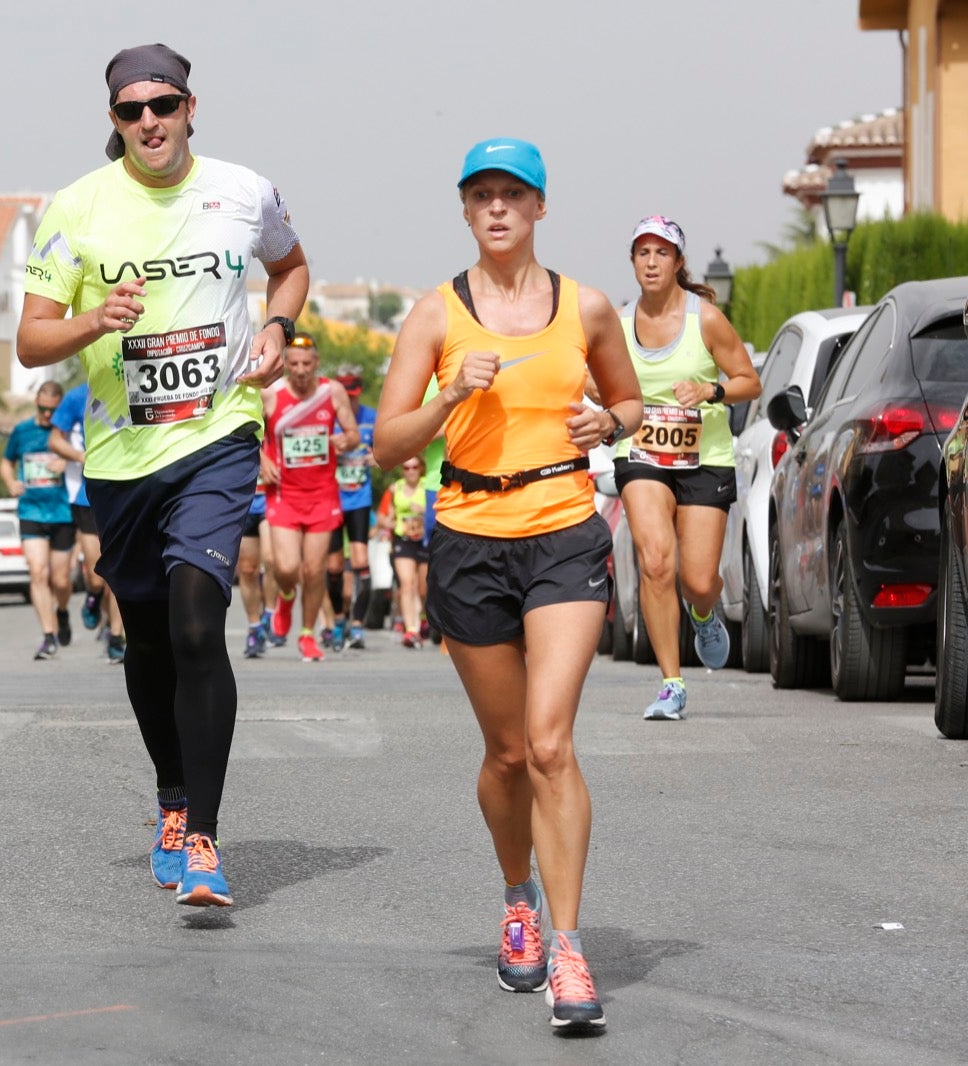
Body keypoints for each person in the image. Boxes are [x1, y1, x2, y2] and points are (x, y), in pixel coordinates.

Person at [16, 43, 308, 907]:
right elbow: (32, 339)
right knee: (145, 637)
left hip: (217, 435)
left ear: (191, 108)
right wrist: (92, 320)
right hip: (119, 456)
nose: (150, 121)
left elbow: (288, 269)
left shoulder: (245, 192)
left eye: (164, 104)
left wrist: (279, 330)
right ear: (114, 122)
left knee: (194, 626)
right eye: (131, 110)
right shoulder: (73, 208)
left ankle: (207, 842)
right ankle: (172, 799)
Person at [374, 138, 644, 1033]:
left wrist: (609, 418)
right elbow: (387, 445)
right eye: (481, 195)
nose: (497, 209)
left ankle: (568, 947)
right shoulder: (434, 315)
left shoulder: (589, 307)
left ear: (539, 208)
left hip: (564, 528)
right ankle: (516, 893)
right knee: (506, 755)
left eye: (513, 195)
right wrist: (450, 396)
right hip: (469, 539)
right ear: (464, 210)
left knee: (552, 743)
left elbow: (630, 404)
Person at [610, 216, 759, 721]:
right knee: (655, 560)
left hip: (703, 457)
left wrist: (709, 391)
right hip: (642, 453)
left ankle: (702, 612)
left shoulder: (706, 319)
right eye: (642, 253)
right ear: (633, 262)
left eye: (661, 253)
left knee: (697, 580)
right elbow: (596, 380)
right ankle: (672, 684)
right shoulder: (617, 321)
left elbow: (748, 381)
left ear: (678, 262)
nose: (651, 263)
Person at [262, 334, 359, 662]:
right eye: (294, 364)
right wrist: (262, 460)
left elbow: (354, 434)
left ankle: (307, 634)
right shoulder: (271, 395)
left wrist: (345, 441)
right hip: (284, 494)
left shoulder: (331, 392)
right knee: (286, 567)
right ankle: (286, 596)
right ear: (285, 365)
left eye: (306, 364)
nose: (300, 370)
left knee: (314, 569)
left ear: (316, 363)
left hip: (322, 494)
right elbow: (247, 432)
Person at [49, 380, 127, 663]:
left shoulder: (137, 382)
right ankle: (93, 596)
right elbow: (55, 440)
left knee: (119, 572)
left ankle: (117, 637)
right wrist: (82, 456)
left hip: (128, 490)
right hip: (87, 495)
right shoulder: (76, 396)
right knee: (97, 574)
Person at [1, 381, 75, 660]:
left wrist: (67, 462)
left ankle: (63, 611)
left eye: (52, 411)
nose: (47, 415)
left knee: (61, 580)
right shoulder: (22, 431)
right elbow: (6, 462)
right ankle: (48, 636)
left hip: (63, 513)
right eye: (43, 409)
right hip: (31, 511)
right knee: (37, 572)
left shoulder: (68, 432)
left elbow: (87, 458)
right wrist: (10, 482)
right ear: (36, 403)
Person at [327, 365, 376, 650]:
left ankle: (357, 625)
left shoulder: (371, 417)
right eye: (346, 396)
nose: (350, 401)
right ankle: (338, 620)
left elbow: (386, 450)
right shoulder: (327, 418)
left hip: (359, 498)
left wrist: (376, 457)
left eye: (354, 396)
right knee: (333, 566)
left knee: (360, 561)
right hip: (331, 499)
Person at [376, 455, 435, 649]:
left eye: (414, 467)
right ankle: (411, 629)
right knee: (407, 584)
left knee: (423, 588)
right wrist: (392, 524)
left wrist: (425, 510)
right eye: (406, 468)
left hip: (425, 539)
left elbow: (442, 508)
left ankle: (423, 617)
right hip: (404, 540)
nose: (410, 471)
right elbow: (382, 517)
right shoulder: (395, 489)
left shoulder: (430, 485)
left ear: (421, 469)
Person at [236, 486, 272, 658]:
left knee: (270, 558)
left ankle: (270, 613)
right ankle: (255, 627)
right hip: (245, 499)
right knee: (248, 569)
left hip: (273, 497)